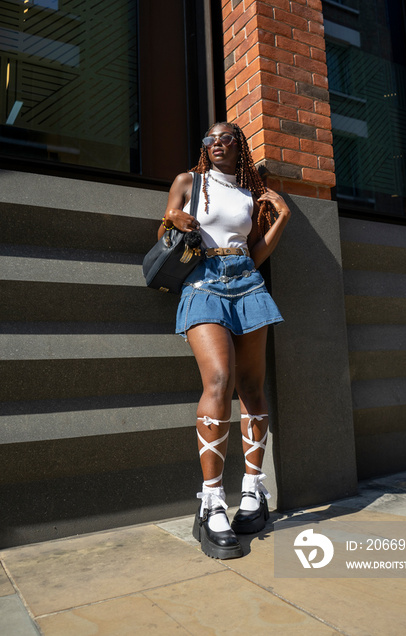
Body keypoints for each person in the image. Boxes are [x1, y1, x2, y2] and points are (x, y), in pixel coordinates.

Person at [158, 121, 290, 559]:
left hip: (248, 283)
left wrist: (282, 219)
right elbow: (164, 238)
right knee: (219, 379)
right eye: (209, 139)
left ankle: (253, 491)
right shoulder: (189, 182)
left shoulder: (249, 194)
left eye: (225, 138)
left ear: (239, 145)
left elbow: (253, 252)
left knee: (252, 387)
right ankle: (212, 500)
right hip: (203, 282)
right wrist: (171, 217)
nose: (216, 144)